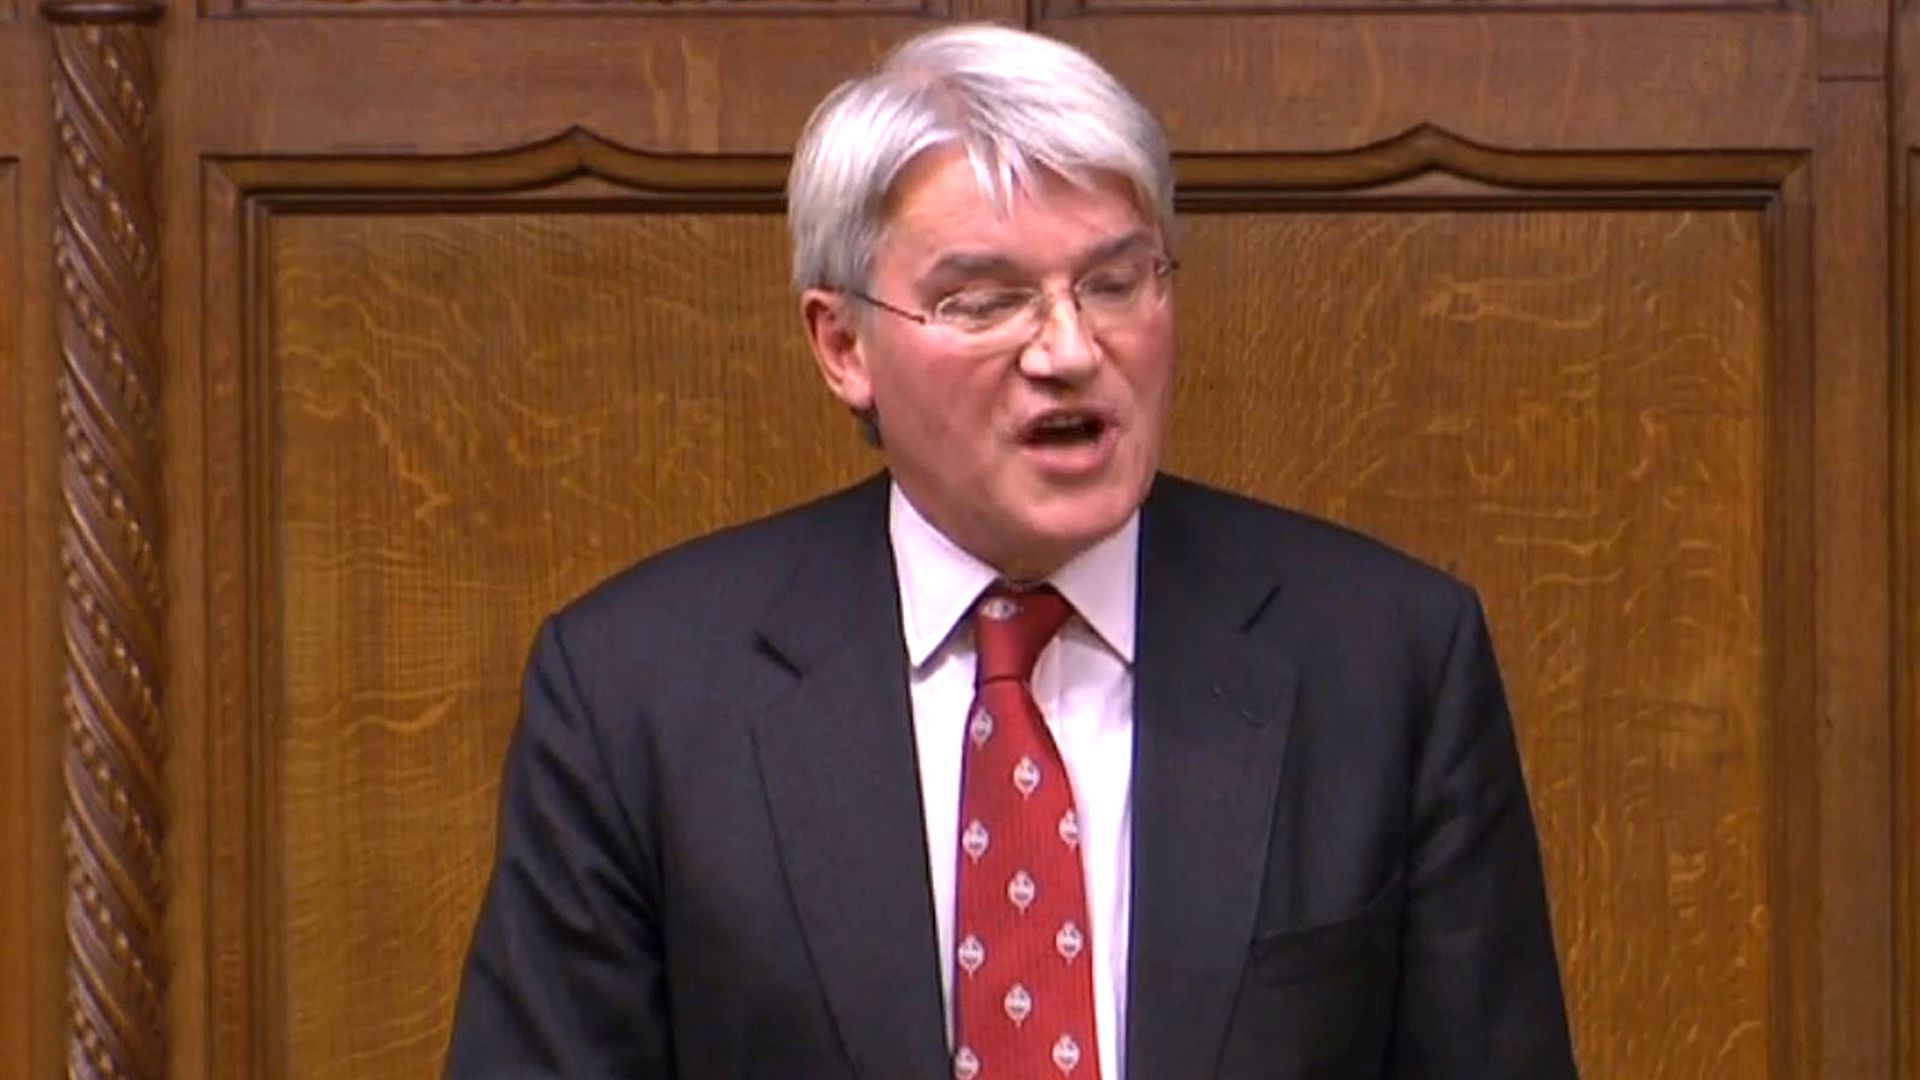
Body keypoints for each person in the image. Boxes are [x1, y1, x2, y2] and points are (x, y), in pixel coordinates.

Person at [444, 22, 1577, 1080]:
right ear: (843, 344)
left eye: (1115, 283)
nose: (1071, 351)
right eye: (987, 302)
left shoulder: (1389, 661)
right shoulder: (635, 692)